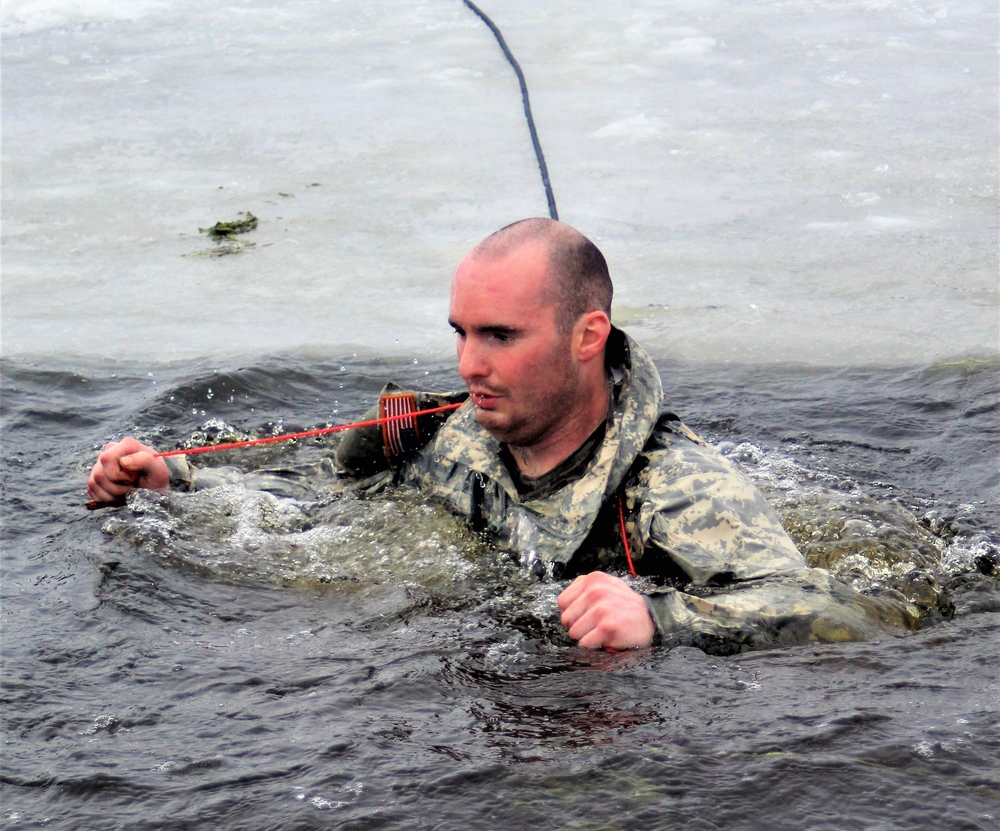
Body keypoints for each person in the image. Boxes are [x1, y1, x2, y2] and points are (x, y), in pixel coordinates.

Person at [87, 219, 915, 652]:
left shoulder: (677, 489)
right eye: (461, 332)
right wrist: (178, 479)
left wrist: (662, 621)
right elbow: (317, 505)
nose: (468, 364)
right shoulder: (456, 434)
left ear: (588, 336)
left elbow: (832, 610)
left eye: (500, 336)